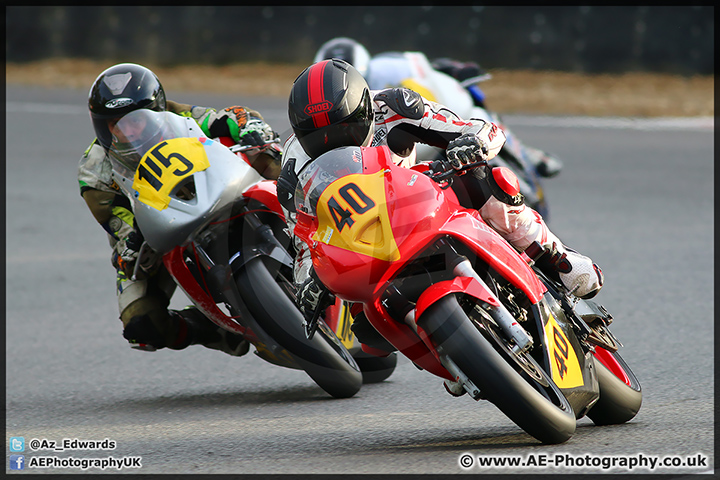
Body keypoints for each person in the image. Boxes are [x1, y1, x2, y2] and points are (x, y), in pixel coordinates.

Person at [276, 59, 603, 345]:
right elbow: (303, 234)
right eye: (316, 138)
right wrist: (307, 279)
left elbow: (480, 128)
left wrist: (471, 144)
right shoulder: (293, 165)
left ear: (363, 110)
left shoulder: (392, 106)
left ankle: (554, 256)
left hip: (416, 199)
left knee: (481, 178)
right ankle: (450, 347)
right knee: (368, 335)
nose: (331, 142)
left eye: (343, 129)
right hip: (364, 243)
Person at [78, 62, 282, 355]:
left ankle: (310, 218)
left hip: (213, 185)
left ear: (157, 110)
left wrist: (252, 128)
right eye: (115, 124)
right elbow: (116, 222)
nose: (128, 130)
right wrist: (130, 241)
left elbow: (228, 118)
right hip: (154, 231)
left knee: (266, 156)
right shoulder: (94, 171)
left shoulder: (177, 114)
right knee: (141, 326)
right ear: (101, 126)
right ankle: (212, 328)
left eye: (137, 119)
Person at [312, 37, 562, 178]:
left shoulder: (388, 67)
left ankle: (527, 154)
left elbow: (425, 65)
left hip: (431, 114)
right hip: (399, 153)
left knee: (479, 113)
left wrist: (454, 71)